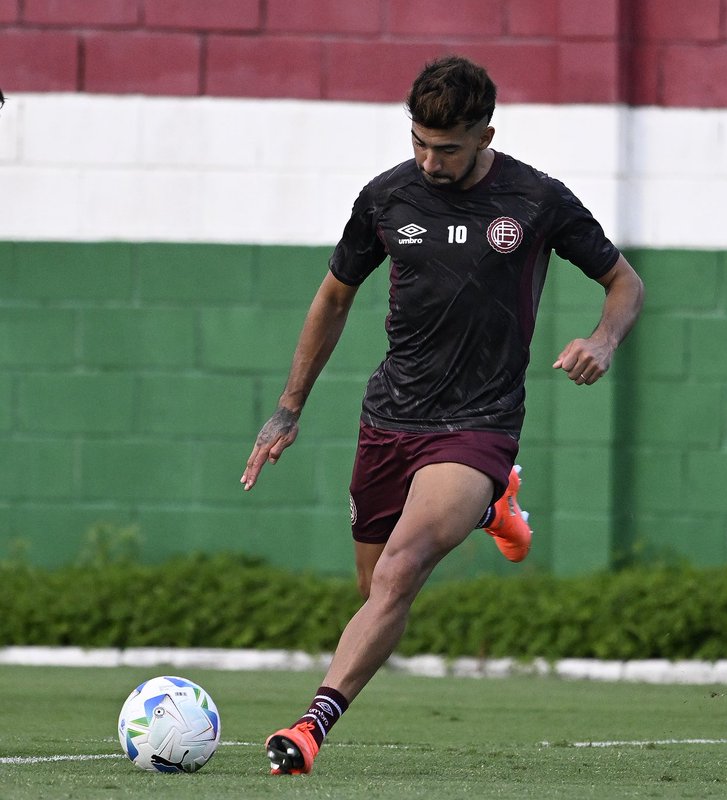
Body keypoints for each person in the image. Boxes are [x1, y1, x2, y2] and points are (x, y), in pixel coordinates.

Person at [239, 55, 644, 775]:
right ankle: (493, 507)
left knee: (400, 572)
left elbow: (623, 282)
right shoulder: (386, 198)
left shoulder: (535, 199)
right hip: (390, 417)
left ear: (486, 134)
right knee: (373, 591)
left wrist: (603, 341)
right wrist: (287, 409)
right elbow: (333, 298)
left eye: (447, 148)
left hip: (478, 423)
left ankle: (310, 727)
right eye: (419, 143)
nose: (430, 161)